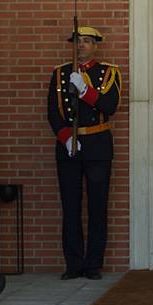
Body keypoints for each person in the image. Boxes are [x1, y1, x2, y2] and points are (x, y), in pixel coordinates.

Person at [47, 26, 122, 281]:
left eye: (87, 41)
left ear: (96, 45)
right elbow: (53, 113)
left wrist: (85, 90)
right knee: (70, 207)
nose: (81, 46)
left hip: (98, 146)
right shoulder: (60, 74)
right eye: (77, 41)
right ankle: (73, 264)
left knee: (97, 208)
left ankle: (93, 265)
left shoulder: (109, 73)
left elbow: (109, 106)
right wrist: (66, 138)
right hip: (69, 149)